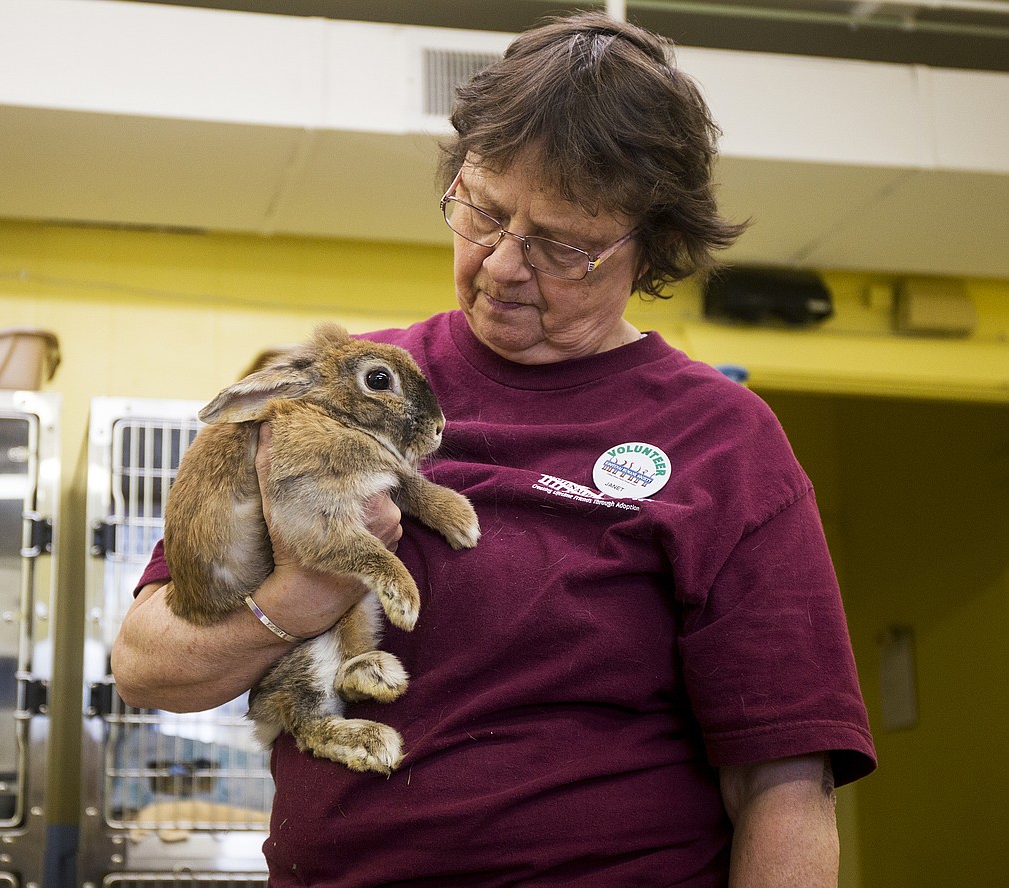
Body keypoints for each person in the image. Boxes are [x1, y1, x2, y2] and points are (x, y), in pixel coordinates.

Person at [112, 11, 876, 886]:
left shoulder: (722, 441)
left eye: (562, 246)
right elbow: (144, 663)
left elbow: (784, 779)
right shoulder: (341, 387)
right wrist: (301, 590)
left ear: (652, 248)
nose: (505, 265)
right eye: (481, 211)